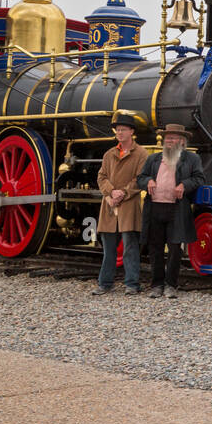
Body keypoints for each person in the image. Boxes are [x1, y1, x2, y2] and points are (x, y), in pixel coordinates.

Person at [138, 123, 205, 298]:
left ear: (182, 142)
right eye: (167, 138)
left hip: (177, 209)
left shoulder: (192, 159)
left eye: (173, 138)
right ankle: (156, 285)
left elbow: (199, 178)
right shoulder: (153, 159)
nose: (169, 141)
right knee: (155, 248)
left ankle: (171, 285)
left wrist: (184, 184)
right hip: (155, 207)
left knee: (175, 249)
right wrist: (148, 182)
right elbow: (141, 178)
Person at [92, 112, 148, 295]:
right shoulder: (109, 154)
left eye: (123, 129)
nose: (120, 133)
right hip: (109, 205)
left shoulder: (141, 153)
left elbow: (140, 179)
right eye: (118, 130)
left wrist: (122, 192)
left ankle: (132, 284)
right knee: (108, 250)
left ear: (132, 131)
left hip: (128, 205)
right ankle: (104, 283)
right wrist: (111, 192)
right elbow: (101, 177)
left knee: (130, 248)